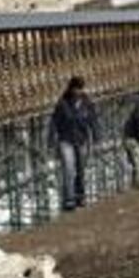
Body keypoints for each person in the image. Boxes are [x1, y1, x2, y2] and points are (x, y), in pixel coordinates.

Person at [49, 76, 99, 210]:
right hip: (66, 140)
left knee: (81, 169)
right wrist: (51, 139)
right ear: (71, 88)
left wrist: (96, 136)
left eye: (81, 89)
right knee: (69, 169)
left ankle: (80, 197)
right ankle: (69, 200)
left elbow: (93, 120)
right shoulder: (62, 103)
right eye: (76, 89)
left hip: (81, 140)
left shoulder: (86, 102)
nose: (79, 92)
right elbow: (54, 122)